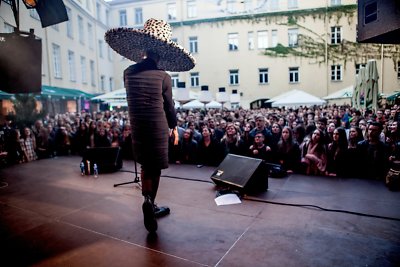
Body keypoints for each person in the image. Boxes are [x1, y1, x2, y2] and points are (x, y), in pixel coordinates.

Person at [105, 18, 195, 233]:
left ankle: (147, 199)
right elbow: (169, 107)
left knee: (146, 166)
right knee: (156, 168)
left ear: (143, 49)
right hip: (157, 125)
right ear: (161, 54)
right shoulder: (163, 76)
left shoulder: (128, 73)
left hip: (138, 126)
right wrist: (173, 127)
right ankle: (150, 203)